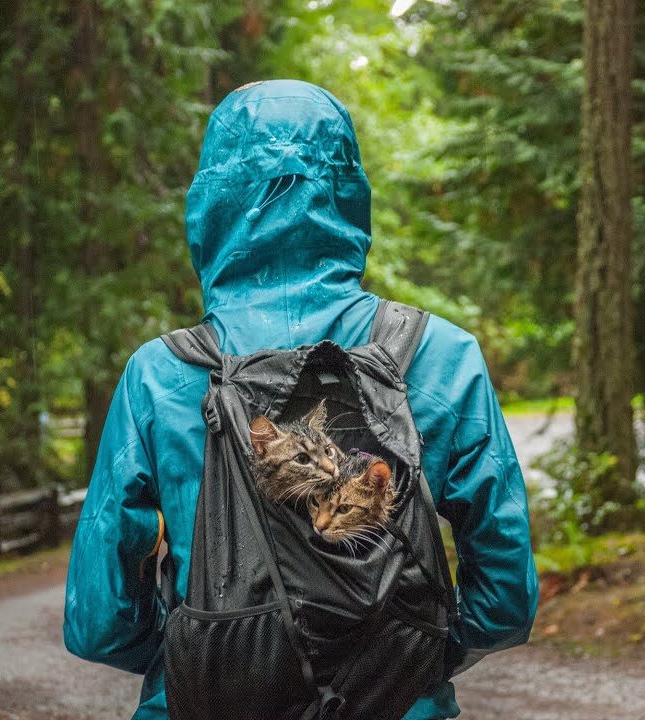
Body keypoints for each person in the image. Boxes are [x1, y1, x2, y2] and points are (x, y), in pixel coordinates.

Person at [63, 79, 538, 720]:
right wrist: (416, 653)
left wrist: (196, 651)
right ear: (348, 195)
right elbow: (505, 598)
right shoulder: (441, 357)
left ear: (212, 202)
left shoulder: (160, 375)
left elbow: (99, 621)